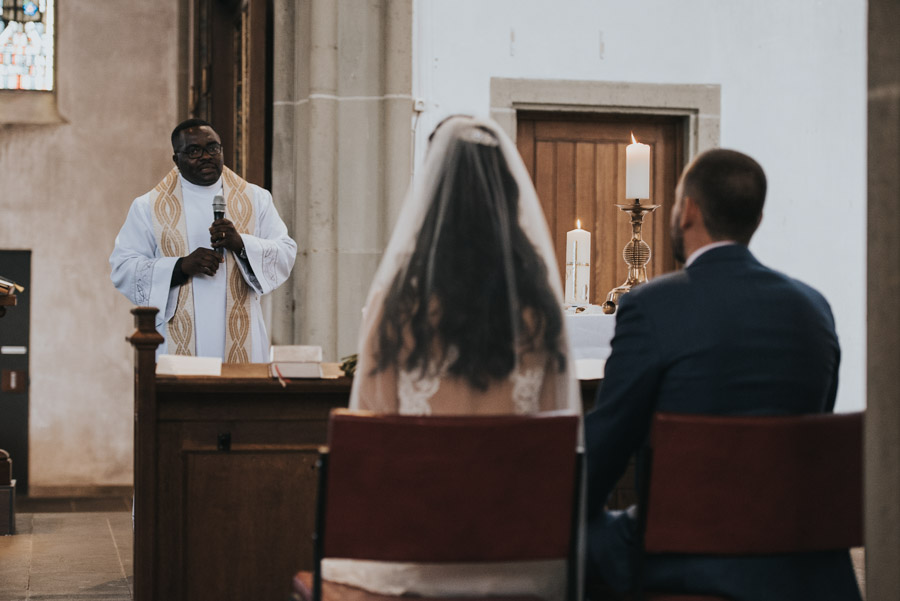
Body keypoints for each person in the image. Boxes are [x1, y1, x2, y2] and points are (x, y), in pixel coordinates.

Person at [320, 115, 580, 600]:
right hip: (520, 560)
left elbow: (375, 435)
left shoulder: (398, 303)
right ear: (508, 195)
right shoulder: (539, 307)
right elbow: (554, 431)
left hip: (416, 559)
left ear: (432, 199)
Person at [584, 149, 861, 601]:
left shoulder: (652, 306)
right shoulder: (814, 308)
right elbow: (811, 430)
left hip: (683, 556)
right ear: (757, 217)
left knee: (565, 538)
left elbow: (606, 449)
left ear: (688, 209)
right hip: (802, 560)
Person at [110, 119, 296, 362]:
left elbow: (286, 252)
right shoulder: (148, 207)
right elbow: (123, 267)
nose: (206, 156)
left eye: (213, 148)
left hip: (244, 337)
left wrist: (241, 244)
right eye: (194, 151)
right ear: (176, 160)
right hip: (176, 341)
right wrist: (180, 266)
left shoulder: (256, 199)